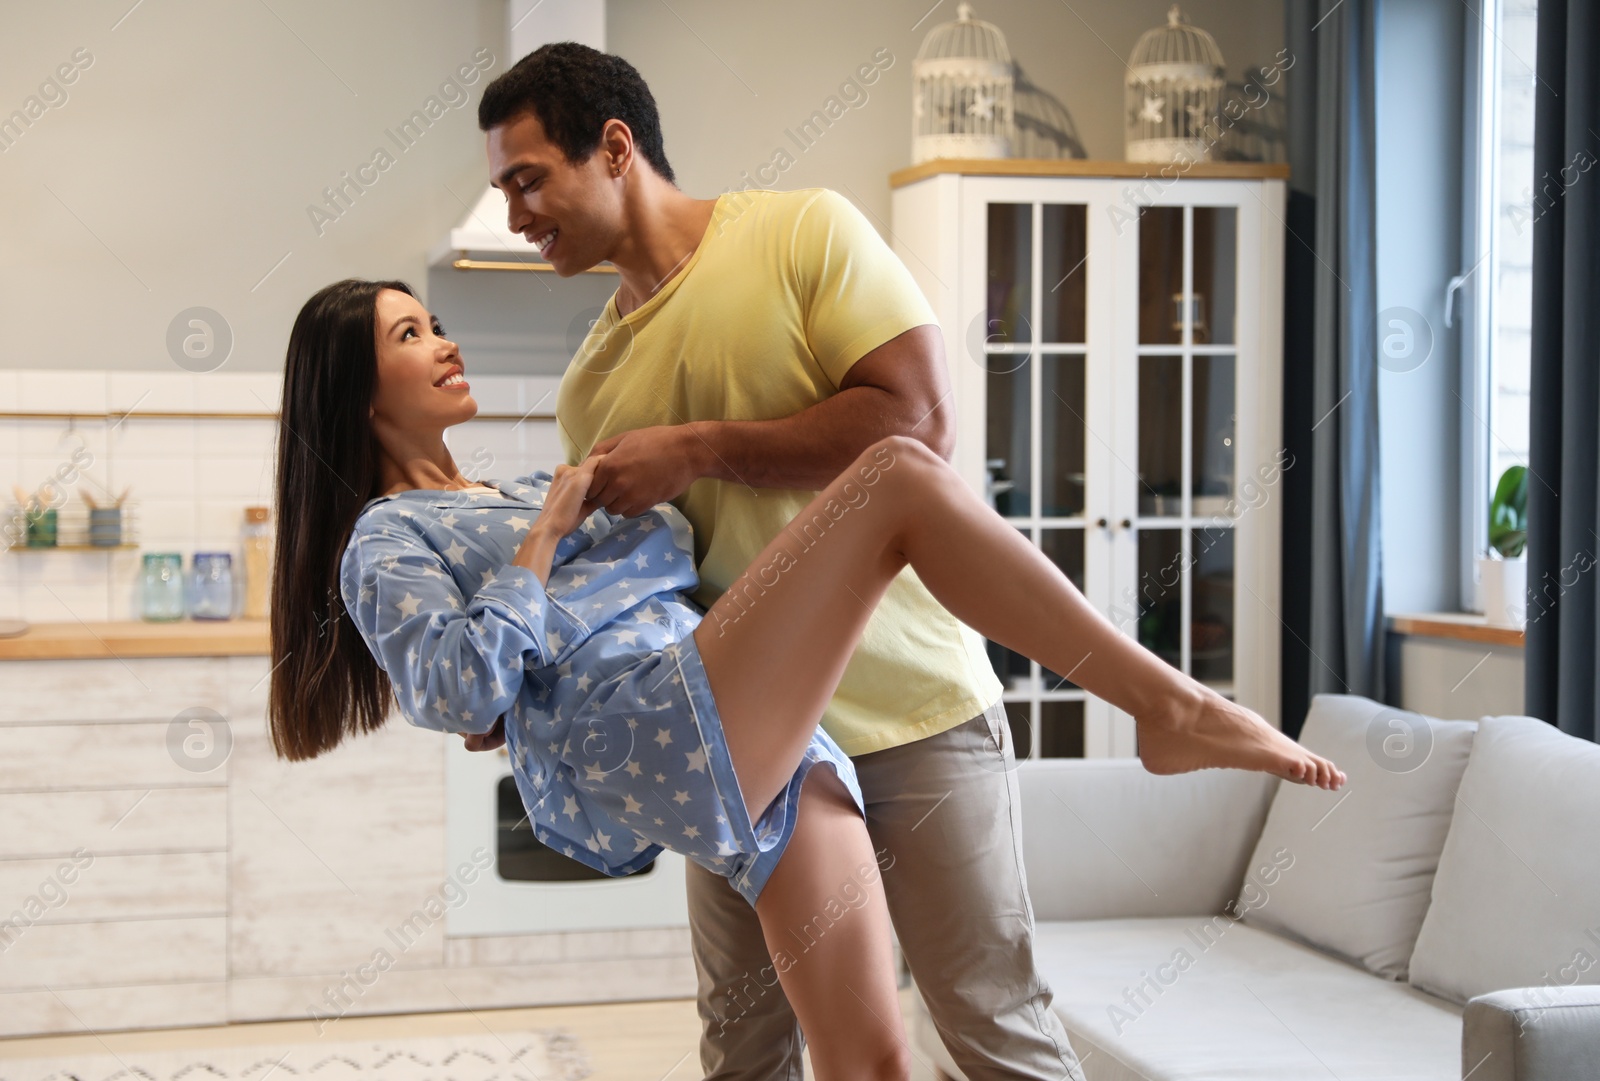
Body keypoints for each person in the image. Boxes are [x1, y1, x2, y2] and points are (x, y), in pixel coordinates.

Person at [266, 278, 1343, 1081]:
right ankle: (1172, 704)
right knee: (895, 477)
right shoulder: (386, 535)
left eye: (433, 322)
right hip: (653, 721)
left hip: (752, 736)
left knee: (869, 1058)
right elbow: (458, 692)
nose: (444, 342)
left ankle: (1173, 707)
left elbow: (644, 580)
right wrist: (550, 536)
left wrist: (576, 544)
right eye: (411, 335)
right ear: (356, 391)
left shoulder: (495, 486)